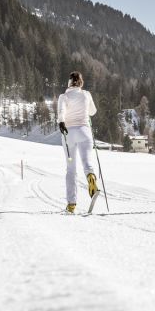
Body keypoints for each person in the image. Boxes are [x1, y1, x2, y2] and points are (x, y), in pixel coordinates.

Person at [57, 71, 98, 213]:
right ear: (81, 82)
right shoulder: (86, 94)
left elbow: (61, 111)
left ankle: (71, 204)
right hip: (85, 132)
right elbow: (93, 112)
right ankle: (91, 178)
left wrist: (61, 122)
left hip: (69, 134)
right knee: (87, 163)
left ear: (69, 83)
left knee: (71, 169)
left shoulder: (64, 96)